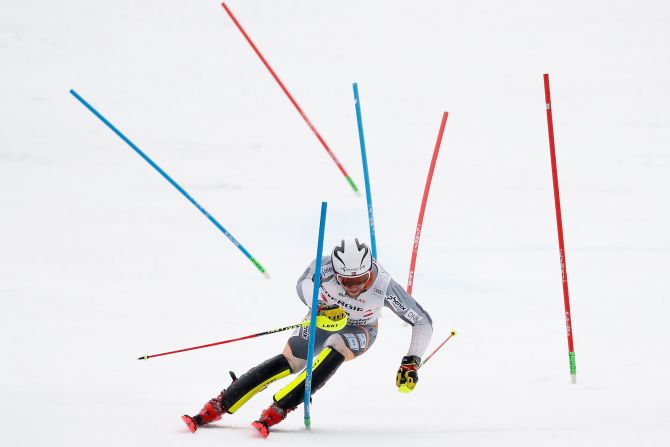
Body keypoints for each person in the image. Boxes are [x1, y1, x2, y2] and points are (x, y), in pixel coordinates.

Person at [182, 237, 433, 438]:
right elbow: (302, 284)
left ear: (369, 273)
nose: (354, 288)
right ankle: (220, 404)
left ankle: (280, 408)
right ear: (337, 273)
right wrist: (320, 306)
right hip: (322, 320)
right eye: (347, 281)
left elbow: (422, 322)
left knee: (336, 349)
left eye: (360, 280)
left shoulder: (385, 286)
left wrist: (411, 361)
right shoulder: (324, 267)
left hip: (360, 329)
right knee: (291, 360)